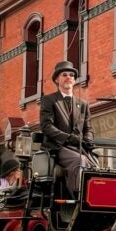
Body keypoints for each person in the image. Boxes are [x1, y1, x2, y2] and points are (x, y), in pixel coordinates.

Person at [39, 60, 96, 196]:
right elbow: (47, 126)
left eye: (71, 75)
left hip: (79, 147)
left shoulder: (83, 104)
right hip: (58, 147)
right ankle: (78, 198)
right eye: (64, 75)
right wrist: (69, 138)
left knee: (96, 165)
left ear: (74, 80)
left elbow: (88, 128)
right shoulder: (49, 100)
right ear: (57, 80)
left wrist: (88, 138)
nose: (68, 77)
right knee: (79, 161)